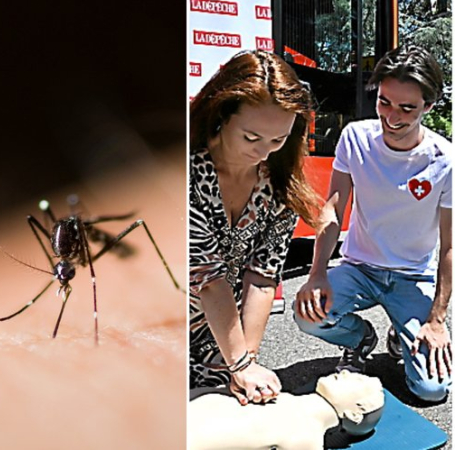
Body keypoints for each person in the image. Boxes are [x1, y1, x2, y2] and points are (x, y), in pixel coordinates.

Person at [294, 45, 452, 402]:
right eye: (385, 102)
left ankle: (403, 332)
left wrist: (437, 319)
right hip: (360, 268)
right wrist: (317, 273)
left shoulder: (445, 160)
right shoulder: (355, 137)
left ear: (428, 106)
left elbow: (449, 246)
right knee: (308, 314)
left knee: (431, 390)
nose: (392, 117)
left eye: (407, 108)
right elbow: (333, 210)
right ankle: (359, 339)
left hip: (413, 276)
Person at [190, 50, 320, 405]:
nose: (265, 152)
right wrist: (241, 363)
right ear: (221, 114)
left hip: (217, 332)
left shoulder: (279, 187)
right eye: (252, 137)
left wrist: (247, 362)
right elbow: (209, 280)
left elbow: (263, 276)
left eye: (278, 141)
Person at [190, 370, 384, 450]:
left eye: (358, 381)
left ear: (354, 415)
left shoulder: (307, 436)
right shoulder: (283, 397)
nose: (345, 372)